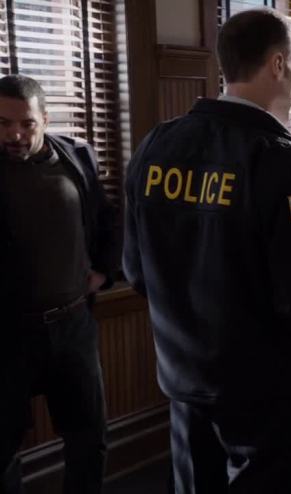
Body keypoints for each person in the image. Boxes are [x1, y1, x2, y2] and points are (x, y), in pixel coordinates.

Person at [123, 8, 291, 493]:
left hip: (185, 377)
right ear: (278, 64)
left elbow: (136, 270)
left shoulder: (157, 146)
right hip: (264, 391)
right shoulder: (282, 162)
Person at [0, 75, 119, 494]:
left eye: (26, 124)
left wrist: (105, 271)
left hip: (73, 325)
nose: (15, 134)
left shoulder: (76, 157)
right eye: (3, 123)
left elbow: (107, 218)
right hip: (9, 334)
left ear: (45, 120)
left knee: (89, 439)